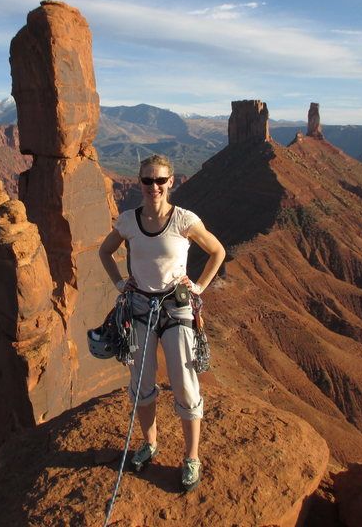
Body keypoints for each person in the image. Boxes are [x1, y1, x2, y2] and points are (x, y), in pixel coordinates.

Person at [98, 154, 225, 491]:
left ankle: (191, 458)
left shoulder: (184, 219)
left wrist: (198, 286)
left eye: (160, 180)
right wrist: (118, 283)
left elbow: (217, 251)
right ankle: (149, 444)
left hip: (176, 309)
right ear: (140, 183)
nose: (153, 186)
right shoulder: (127, 221)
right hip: (138, 306)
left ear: (171, 182)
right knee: (142, 382)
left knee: (184, 382)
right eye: (147, 180)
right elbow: (104, 252)